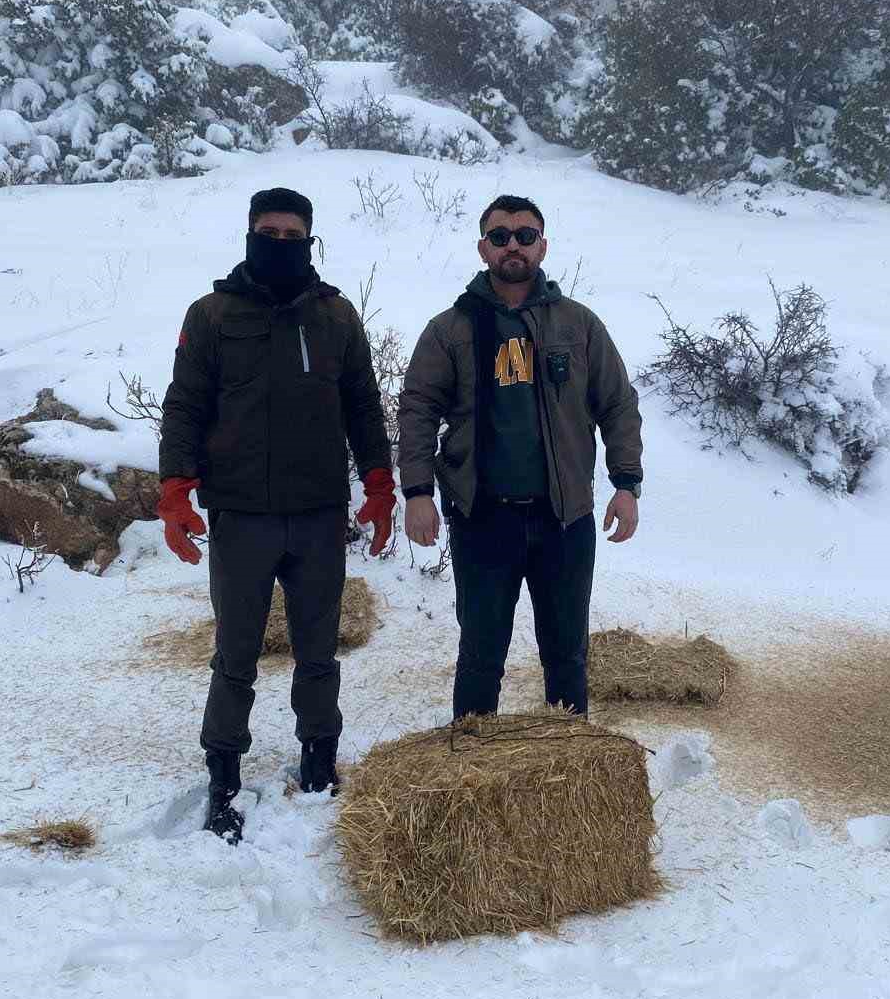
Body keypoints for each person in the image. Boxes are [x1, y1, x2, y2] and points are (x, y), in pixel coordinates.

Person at [157, 187, 395, 843]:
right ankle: (223, 775)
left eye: (293, 235)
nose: (280, 242)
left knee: (318, 652)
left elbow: (364, 407)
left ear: (310, 240)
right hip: (241, 514)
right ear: (249, 234)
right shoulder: (210, 315)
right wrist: (176, 490)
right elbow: (185, 408)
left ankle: (320, 759)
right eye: (270, 231)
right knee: (236, 653)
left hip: (319, 513)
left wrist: (379, 484)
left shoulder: (337, 316)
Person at [398, 194, 643, 719]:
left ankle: (569, 775)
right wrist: (417, 492)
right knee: (481, 656)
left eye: (525, 235)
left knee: (566, 656)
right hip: (484, 517)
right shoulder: (451, 328)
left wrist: (626, 484)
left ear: (543, 246)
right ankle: (470, 770)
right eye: (501, 235)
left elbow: (617, 404)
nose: (514, 244)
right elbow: (418, 409)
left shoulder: (578, 324)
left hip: (564, 518)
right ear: (483, 248)